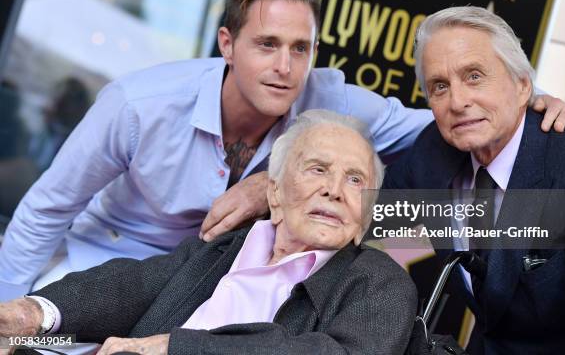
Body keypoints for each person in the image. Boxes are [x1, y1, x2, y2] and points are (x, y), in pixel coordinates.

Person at [0, 0, 565, 301]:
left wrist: (528, 103)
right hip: (102, 260)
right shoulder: (136, 105)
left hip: (219, 285)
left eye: (300, 48)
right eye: (267, 45)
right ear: (227, 45)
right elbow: (44, 212)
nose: (285, 67)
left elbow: (452, 121)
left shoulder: (330, 98)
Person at [0, 110, 417, 355]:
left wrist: (176, 348)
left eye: (355, 179)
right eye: (317, 169)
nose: (334, 189)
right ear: (274, 192)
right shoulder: (227, 247)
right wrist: (36, 313)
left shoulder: (379, 282)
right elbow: (136, 284)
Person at [383, 6, 565, 353]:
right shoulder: (430, 153)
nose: (458, 102)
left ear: (523, 87)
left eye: (474, 76)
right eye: (440, 86)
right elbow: (361, 223)